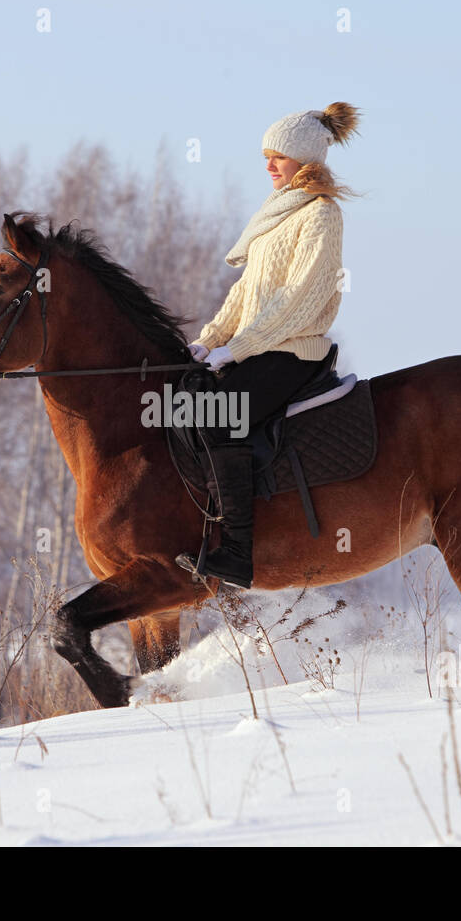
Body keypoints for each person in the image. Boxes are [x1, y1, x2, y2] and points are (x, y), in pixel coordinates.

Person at [178, 102, 361, 589]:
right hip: (254, 347)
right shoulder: (274, 218)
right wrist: (208, 342)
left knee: (218, 418)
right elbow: (246, 293)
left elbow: (300, 295)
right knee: (183, 406)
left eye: (277, 156)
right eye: (266, 157)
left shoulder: (321, 215)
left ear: (303, 158)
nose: (269, 166)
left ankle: (238, 553)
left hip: (292, 351)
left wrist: (238, 348)